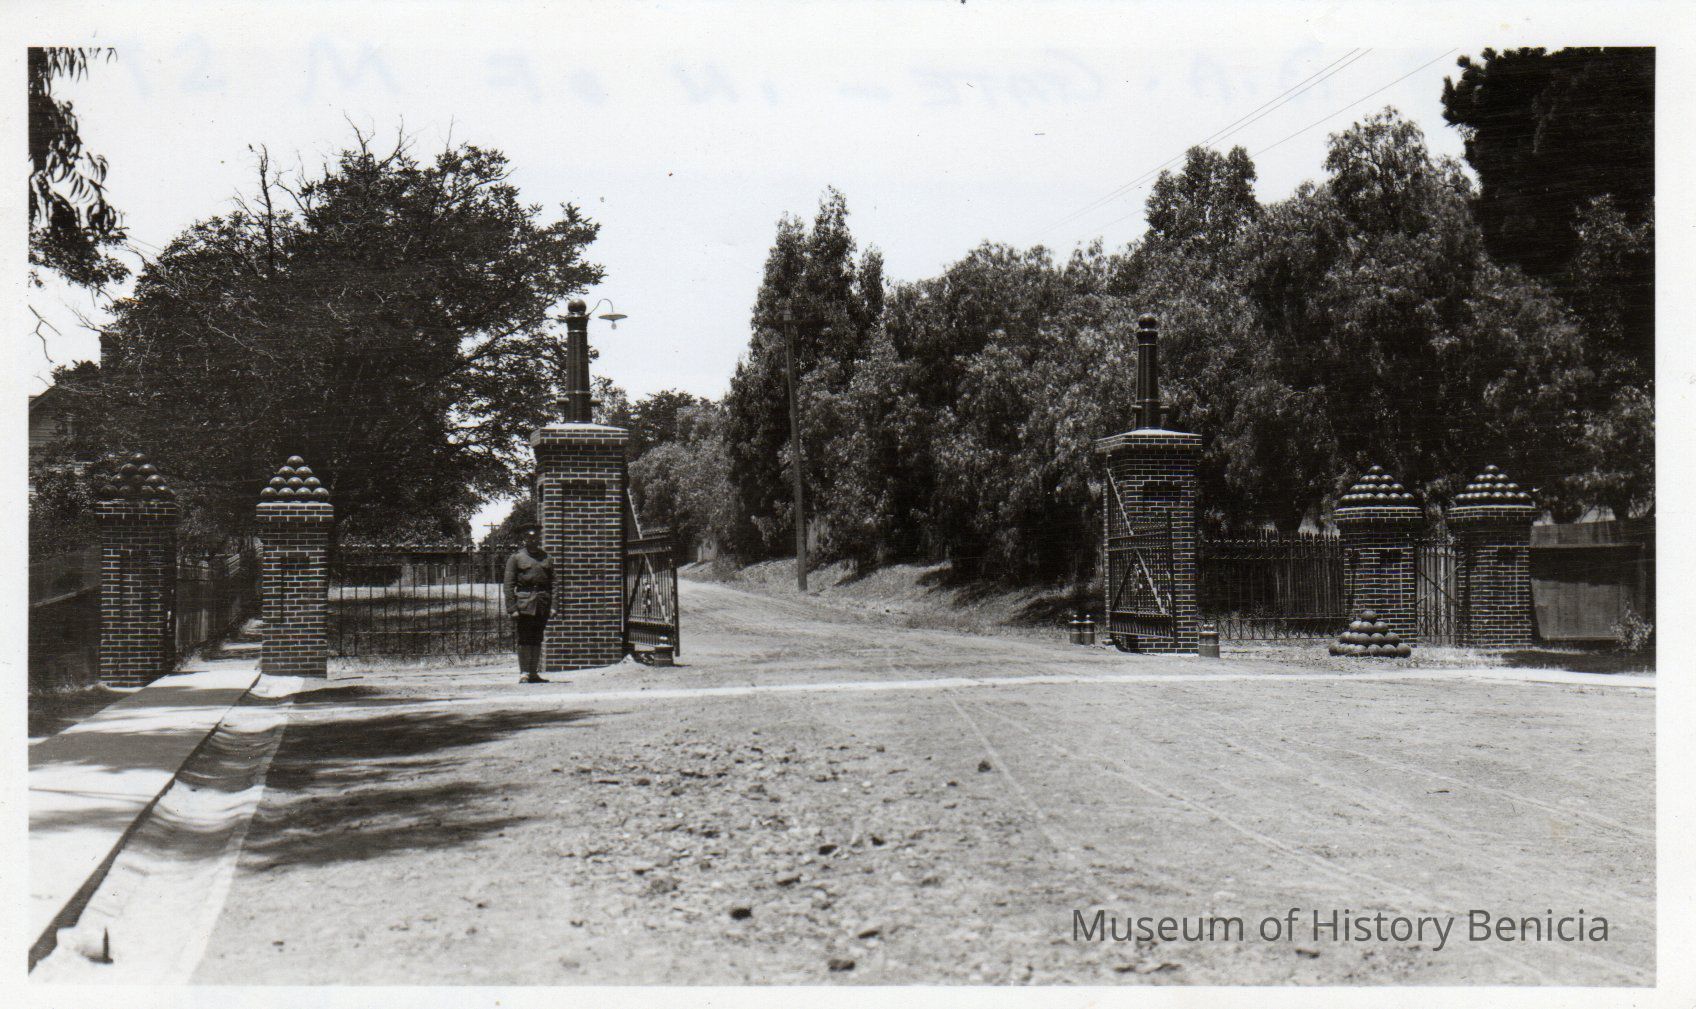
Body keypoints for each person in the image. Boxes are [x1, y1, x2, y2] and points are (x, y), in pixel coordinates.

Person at [503, 523, 553, 683]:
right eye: (529, 537)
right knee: (524, 638)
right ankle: (524, 673)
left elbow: (554, 584)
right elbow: (508, 585)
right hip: (524, 604)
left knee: (537, 638)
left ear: (539, 538)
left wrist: (554, 606)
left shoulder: (546, 558)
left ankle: (533, 673)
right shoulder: (516, 558)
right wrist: (512, 608)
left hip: (542, 603)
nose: (533, 540)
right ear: (524, 539)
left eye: (536, 537)